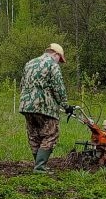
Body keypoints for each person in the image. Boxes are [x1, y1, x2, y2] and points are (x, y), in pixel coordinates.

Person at [19, 43, 73, 172]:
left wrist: (27, 100)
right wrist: (65, 105)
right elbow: (58, 87)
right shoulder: (52, 64)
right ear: (56, 54)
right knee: (51, 134)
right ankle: (40, 167)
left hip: (26, 105)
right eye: (60, 59)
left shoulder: (30, 63)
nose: (59, 62)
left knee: (34, 135)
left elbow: (22, 84)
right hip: (44, 106)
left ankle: (38, 164)